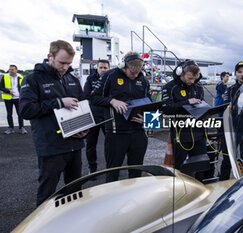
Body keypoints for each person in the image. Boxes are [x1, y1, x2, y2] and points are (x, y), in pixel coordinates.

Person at [19, 40, 87, 206]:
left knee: (74, 190)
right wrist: (58, 102)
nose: (65, 67)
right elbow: (27, 110)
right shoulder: (32, 79)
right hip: (51, 146)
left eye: (69, 64)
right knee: (47, 194)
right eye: (62, 63)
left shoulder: (72, 78)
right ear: (50, 56)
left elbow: (83, 105)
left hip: (74, 144)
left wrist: (86, 129)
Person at [91, 52, 150, 182]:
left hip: (138, 132)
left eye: (138, 72)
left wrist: (147, 120)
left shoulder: (144, 80)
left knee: (136, 172)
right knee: (113, 172)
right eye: (132, 72)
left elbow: (150, 104)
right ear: (123, 66)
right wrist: (111, 101)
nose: (135, 76)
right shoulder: (110, 76)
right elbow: (94, 97)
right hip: (116, 132)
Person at [162, 60, 206, 171]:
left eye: (195, 78)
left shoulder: (198, 87)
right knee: (178, 168)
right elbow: (166, 109)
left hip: (199, 134)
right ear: (181, 73)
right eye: (190, 78)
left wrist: (206, 112)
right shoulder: (170, 87)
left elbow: (202, 105)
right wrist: (187, 102)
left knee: (200, 167)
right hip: (180, 135)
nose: (192, 81)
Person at [220, 61, 243, 180]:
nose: (242, 74)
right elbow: (227, 106)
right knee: (228, 159)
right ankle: (223, 183)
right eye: (239, 72)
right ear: (235, 74)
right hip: (232, 129)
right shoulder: (230, 90)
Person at [83, 59, 110, 174]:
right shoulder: (90, 78)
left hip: (107, 115)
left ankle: (111, 168)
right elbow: (87, 95)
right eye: (101, 67)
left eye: (105, 68)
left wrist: (97, 96)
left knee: (110, 143)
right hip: (92, 116)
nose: (103, 70)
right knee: (90, 144)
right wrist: (103, 98)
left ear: (109, 68)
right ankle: (92, 169)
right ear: (97, 68)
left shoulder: (111, 78)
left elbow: (112, 96)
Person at [0, 65, 27, 134]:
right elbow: (1, 87)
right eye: (10, 69)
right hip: (8, 98)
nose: (11, 71)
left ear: (16, 70)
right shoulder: (5, 77)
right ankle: (10, 128)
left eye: (12, 69)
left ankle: (22, 128)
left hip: (18, 98)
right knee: (9, 114)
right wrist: (9, 92)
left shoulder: (21, 77)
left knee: (20, 113)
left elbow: (24, 87)